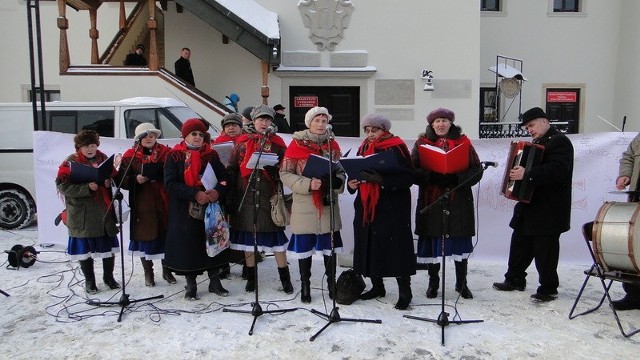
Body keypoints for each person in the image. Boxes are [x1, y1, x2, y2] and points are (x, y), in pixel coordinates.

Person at [493, 107, 574, 302]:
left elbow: (558, 170)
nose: (529, 130)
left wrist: (527, 174)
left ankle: (548, 288)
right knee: (519, 243)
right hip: (529, 206)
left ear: (544, 121)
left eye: (531, 125)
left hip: (549, 208)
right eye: (526, 127)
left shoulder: (560, 142)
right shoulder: (537, 143)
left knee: (545, 250)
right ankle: (514, 279)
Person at [412, 108, 482, 300]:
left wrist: (456, 178)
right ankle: (433, 283)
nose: (440, 124)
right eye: (437, 121)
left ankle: (462, 283)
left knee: (459, 241)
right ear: (431, 125)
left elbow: (477, 170)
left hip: (458, 200)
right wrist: (431, 176)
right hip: (432, 200)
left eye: (444, 120)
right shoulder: (421, 144)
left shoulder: (464, 144)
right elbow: (413, 170)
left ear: (451, 123)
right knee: (434, 241)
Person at [348, 113, 416, 310]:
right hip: (366, 205)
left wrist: (381, 180)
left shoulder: (397, 147)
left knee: (396, 248)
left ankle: (405, 292)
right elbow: (354, 173)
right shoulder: (362, 148)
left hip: (392, 206)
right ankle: (377, 286)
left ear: (384, 129)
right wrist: (351, 183)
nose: (370, 134)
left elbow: (408, 178)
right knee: (369, 244)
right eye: (367, 130)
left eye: (374, 130)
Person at [280, 106, 345, 303]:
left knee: (329, 247)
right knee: (305, 248)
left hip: (327, 205)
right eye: (317, 120)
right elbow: (284, 173)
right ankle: (305, 285)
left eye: (324, 121)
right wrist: (308, 184)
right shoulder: (296, 144)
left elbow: (340, 171)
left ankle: (331, 284)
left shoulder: (332, 146)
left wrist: (336, 183)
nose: (320, 124)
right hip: (304, 203)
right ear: (310, 122)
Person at [227, 104, 293, 294]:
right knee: (249, 239)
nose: (264, 123)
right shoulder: (241, 142)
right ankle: (251, 277)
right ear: (253, 122)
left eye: (267, 120)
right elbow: (232, 167)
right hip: (245, 196)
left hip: (268, 196)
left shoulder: (279, 143)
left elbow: (287, 169)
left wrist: (275, 170)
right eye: (260, 120)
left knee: (277, 241)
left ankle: (285, 278)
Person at [163, 118, 230, 300]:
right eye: (194, 134)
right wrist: (194, 194)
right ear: (185, 135)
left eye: (201, 134)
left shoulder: (211, 155)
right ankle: (191, 283)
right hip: (185, 208)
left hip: (210, 207)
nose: (197, 137)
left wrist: (217, 192)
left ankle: (215, 281)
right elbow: (170, 184)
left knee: (213, 242)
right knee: (189, 246)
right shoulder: (174, 156)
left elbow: (224, 178)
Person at [55, 130, 120, 294]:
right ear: (79, 147)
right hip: (82, 213)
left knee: (107, 247)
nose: (90, 149)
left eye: (93, 145)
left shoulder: (103, 158)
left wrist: (108, 182)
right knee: (86, 250)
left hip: (104, 211)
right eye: (86, 146)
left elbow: (114, 179)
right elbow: (62, 186)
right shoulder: (70, 162)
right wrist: (85, 188)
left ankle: (108, 277)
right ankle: (90, 281)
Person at [115, 123, 176, 287]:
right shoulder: (130, 156)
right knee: (145, 237)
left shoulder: (167, 153)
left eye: (152, 135)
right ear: (138, 139)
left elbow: (176, 174)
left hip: (164, 200)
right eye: (145, 135)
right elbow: (120, 179)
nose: (149, 138)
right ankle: (148, 273)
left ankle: (167, 269)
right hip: (143, 203)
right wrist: (136, 180)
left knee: (166, 236)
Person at [610, 132, 640, 310]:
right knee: (634, 248)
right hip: (637, 200)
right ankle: (634, 295)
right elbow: (628, 156)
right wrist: (625, 175)